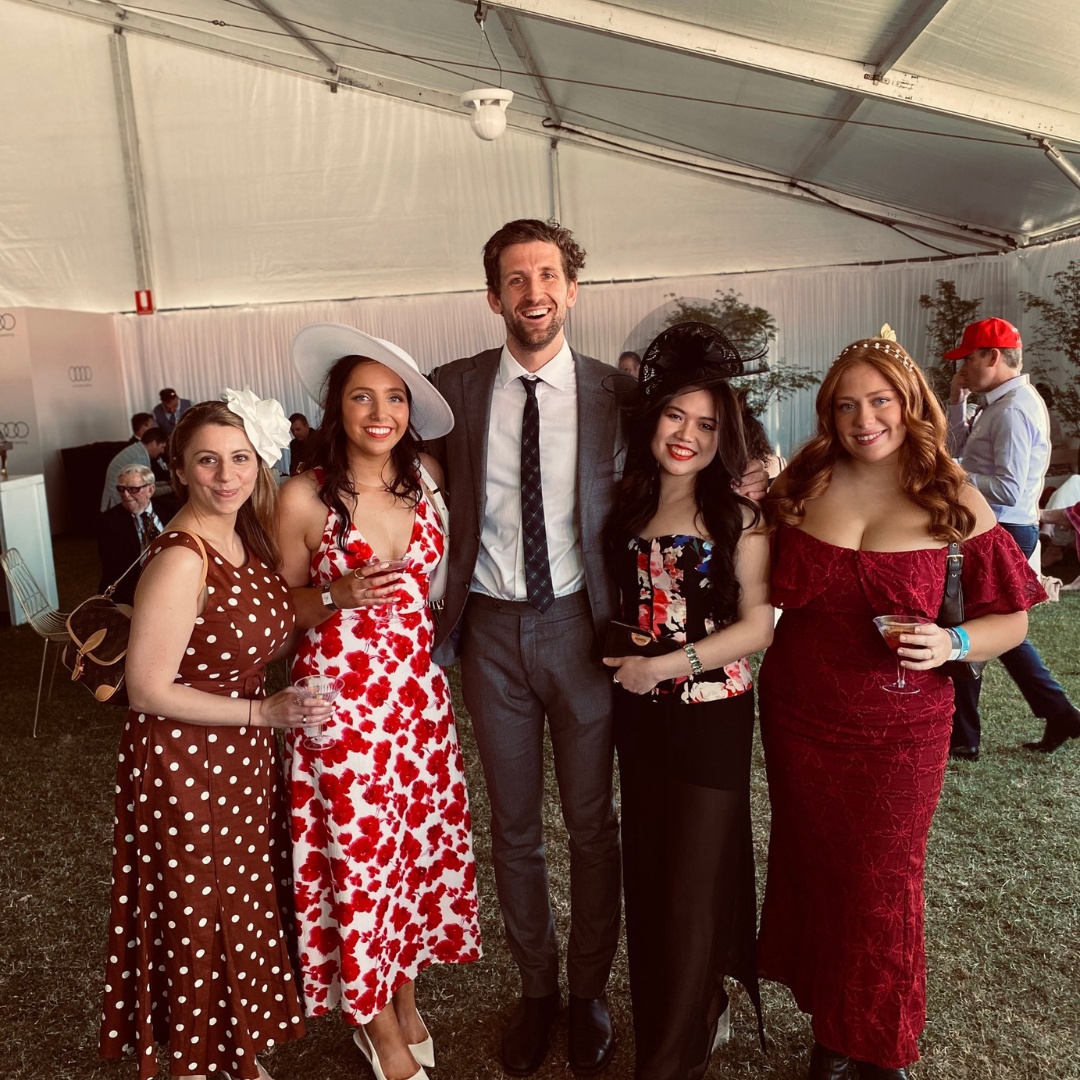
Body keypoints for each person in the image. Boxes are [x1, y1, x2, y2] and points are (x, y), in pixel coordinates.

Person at [757, 335, 1042, 1080]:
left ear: (910, 403)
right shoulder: (803, 485)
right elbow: (749, 572)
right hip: (799, 716)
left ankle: (878, 1046)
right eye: (846, 405)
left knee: (882, 881)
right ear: (829, 414)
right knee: (819, 866)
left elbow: (1013, 619)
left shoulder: (952, 495)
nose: (865, 420)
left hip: (902, 728)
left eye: (880, 400)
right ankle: (832, 1026)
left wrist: (953, 641)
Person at [428, 219, 624, 1077]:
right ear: (493, 296)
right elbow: (394, 469)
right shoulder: (452, 389)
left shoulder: (617, 393)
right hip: (490, 629)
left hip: (583, 626)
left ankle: (589, 992)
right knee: (512, 826)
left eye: (547, 276)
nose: (533, 293)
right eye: (516, 279)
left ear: (572, 289)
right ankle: (537, 988)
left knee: (591, 822)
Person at [99, 394, 333, 1080]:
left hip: (235, 754)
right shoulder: (182, 556)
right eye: (207, 460)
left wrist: (337, 597)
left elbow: (262, 628)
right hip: (185, 759)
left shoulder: (242, 535)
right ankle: (203, 1061)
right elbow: (147, 689)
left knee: (239, 902)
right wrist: (263, 714)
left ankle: (233, 1052)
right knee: (202, 911)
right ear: (177, 468)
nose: (226, 475)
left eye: (240, 458)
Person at [278, 323, 481, 1080]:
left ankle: (404, 996)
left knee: (408, 860)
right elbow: (281, 612)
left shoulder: (424, 476)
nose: (380, 412)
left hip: (415, 703)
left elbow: (440, 589)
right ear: (337, 405)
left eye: (394, 398)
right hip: (340, 708)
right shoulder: (303, 495)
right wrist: (335, 594)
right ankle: (379, 1029)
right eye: (362, 397)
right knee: (359, 867)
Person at [602, 323, 771, 1080]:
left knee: (691, 891)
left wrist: (665, 665)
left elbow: (758, 627)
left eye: (706, 425)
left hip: (712, 719)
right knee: (650, 878)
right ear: (652, 418)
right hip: (639, 719)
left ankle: (667, 1064)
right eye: (677, 415)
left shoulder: (739, 514)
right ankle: (699, 1009)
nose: (688, 435)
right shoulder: (626, 506)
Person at [945, 317, 1080, 757]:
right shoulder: (1000, 402)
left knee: (968, 626)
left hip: (1000, 530)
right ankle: (1059, 713)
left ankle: (964, 738)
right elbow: (958, 450)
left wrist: (955, 477)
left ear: (992, 357)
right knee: (993, 628)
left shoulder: (1014, 409)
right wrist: (957, 405)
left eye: (967, 359)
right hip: (993, 528)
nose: (961, 368)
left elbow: (1007, 488)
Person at [96, 464, 163, 605]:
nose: (126, 495)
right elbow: (114, 567)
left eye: (133, 489)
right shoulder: (109, 521)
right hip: (131, 591)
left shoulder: (171, 510)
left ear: (150, 490)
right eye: (121, 489)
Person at [100, 426, 168, 511]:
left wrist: (166, 483)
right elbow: (148, 491)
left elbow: (148, 485)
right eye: (162, 447)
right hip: (118, 502)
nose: (162, 451)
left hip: (116, 497)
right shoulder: (141, 458)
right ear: (154, 443)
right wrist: (171, 488)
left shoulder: (138, 449)